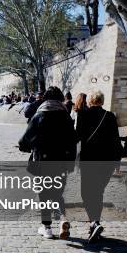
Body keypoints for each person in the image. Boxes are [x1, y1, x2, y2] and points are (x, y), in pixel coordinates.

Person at [19, 86, 76, 240]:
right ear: (60, 99)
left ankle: (47, 227)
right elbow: (72, 141)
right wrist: (71, 162)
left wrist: (27, 147)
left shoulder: (39, 116)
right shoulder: (66, 117)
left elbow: (24, 140)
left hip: (42, 161)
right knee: (57, 193)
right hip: (62, 161)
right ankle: (63, 218)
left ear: (45, 99)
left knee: (44, 195)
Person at [76, 90, 122, 243]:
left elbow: (77, 137)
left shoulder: (83, 115)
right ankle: (95, 223)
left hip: (89, 161)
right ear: (102, 101)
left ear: (90, 101)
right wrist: (117, 161)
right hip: (107, 162)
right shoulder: (109, 116)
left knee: (86, 193)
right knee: (98, 192)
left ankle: (94, 222)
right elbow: (116, 140)